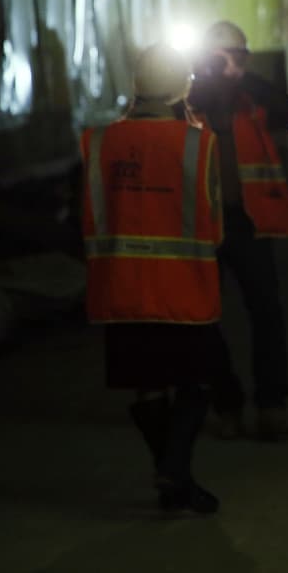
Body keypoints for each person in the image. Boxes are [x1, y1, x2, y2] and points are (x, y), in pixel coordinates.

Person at [80, 43, 224, 514]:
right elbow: (215, 224)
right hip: (184, 289)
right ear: (184, 85)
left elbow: (89, 219)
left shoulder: (98, 141)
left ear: (136, 84)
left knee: (148, 387)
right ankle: (176, 471)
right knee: (195, 384)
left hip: (119, 287)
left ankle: (174, 480)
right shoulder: (198, 143)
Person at [185, 20, 288, 441]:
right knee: (201, 319)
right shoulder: (187, 97)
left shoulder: (251, 99)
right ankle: (226, 404)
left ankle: (271, 406)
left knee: (267, 314)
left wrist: (240, 75)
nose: (227, 64)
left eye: (238, 55)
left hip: (247, 223)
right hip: (199, 226)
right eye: (220, 55)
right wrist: (208, 73)